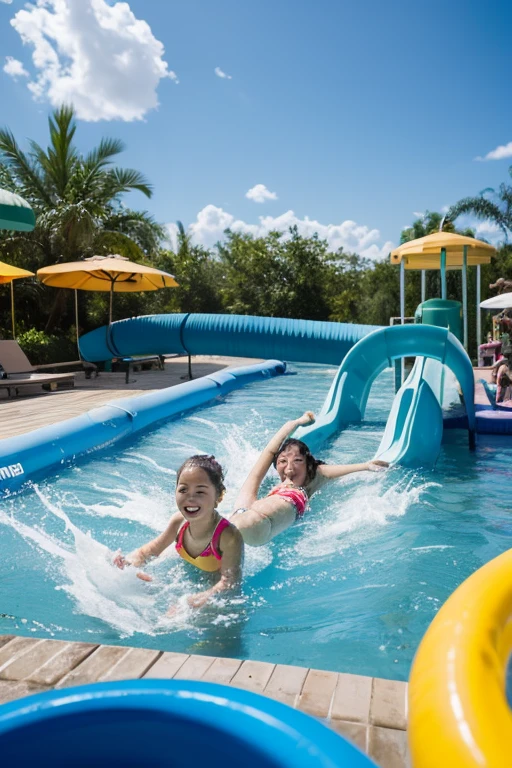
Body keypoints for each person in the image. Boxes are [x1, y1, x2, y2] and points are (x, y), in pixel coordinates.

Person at [229, 412, 388, 546]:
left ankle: (219, 536)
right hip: (244, 512)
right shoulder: (279, 484)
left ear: (308, 465)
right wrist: (299, 422)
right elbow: (270, 451)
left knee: (242, 523)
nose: (289, 468)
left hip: (260, 523)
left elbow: (341, 470)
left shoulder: (315, 476)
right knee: (250, 486)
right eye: (282, 461)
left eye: (297, 461)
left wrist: (366, 465)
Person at [113, 455, 243, 609]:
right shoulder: (179, 522)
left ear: (219, 497)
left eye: (200, 492)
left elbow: (230, 583)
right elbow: (147, 552)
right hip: (188, 576)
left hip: (213, 590)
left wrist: (189, 603)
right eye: (183, 490)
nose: (190, 498)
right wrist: (128, 564)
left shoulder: (227, 536)